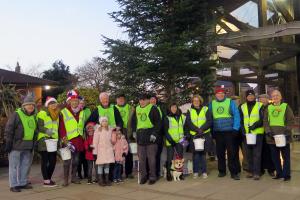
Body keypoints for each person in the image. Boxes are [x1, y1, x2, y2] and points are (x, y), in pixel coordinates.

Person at [4, 93, 37, 192]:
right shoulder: (16, 114)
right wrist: (8, 143)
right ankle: (13, 185)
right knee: (14, 167)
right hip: (16, 146)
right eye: (28, 104)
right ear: (24, 106)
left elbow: (34, 130)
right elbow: (9, 129)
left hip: (28, 146)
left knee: (25, 165)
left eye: (32, 104)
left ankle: (23, 182)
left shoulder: (34, 116)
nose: (30, 106)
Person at [88, 92, 123, 181]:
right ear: (100, 100)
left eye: (106, 98)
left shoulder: (114, 108)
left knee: (112, 156)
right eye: (103, 99)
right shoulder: (97, 109)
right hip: (101, 137)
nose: (105, 100)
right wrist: (93, 127)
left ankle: (111, 177)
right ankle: (101, 177)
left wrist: (119, 127)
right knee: (102, 158)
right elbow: (90, 122)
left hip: (113, 135)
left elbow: (120, 121)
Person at [209, 86, 241, 180]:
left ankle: (234, 172)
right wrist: (212, 130)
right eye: (218, 93)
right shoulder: (212, 104)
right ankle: (222, 171)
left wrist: (235, 128)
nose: (220, 95)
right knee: (220, 153)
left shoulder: (230, 102)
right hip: (218, 132)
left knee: (232, 153)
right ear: (215, 95)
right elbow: (209, 117)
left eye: (222, 93)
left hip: (229, 132)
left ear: (224, 94)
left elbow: (236, 115)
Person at [263, 90, 295, 181]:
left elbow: (291, 120)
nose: (275, 97)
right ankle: (279, 173)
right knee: (275, 157)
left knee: (285, 157)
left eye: (277, 95)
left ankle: (286, 174)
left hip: (284, 136)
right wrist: (268, 131)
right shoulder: (268, 108)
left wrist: (287, 130)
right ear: (271, 98)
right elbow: (265, 121)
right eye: (273, 96)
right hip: (272, 137)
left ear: (280, 97)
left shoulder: (286, 106)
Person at [131, 93, 161, 185]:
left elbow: (158, 123)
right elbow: (133, 121)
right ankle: (144, 176)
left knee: (151, 158)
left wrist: (154, 134)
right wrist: (134, 132)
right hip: (140, 136)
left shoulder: (153, 108)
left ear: (148, 100)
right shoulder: (137, 109)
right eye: (140, 100)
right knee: (142, 159)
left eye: (144, 100)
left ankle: (152, 177)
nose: (142, 101)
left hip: (150, 135)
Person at [59, 90, 85, 186]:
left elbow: (82, 125)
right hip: (67, 140)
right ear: (69, 101)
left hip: (78, 139)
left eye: (76, 101)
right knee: (67, 161)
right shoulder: (63, 112)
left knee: (76, 161)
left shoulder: (81, 112)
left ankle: (73, 177)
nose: (75, 102)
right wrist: (64, 138)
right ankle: (66, 179)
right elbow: (61, 127)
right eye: (73, 101)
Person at [185, 95, 212, 179]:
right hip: (194, 135)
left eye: (198, 100)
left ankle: (204, 171)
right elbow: (188, 122)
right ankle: (196, 171)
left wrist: (202, 129)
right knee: (195, 155)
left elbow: (209, 121)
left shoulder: (205, 109)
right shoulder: (189, 110)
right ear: (192, 102)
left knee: (203, 154)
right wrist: (197, 129)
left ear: (200, 101)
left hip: (204, 134)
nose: (196, 102)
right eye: (194, 100)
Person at [239, 90, 264, 180]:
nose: (250, 97)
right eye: (248, 96)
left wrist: (254, 126)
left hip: (257, 133)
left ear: (254, 96)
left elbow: (262, 119)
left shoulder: (260, 105)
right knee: (248, 154)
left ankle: (257, 172)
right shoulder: (242, 106)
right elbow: (240, 120)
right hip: (246, 134)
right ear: (246, 97)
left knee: (257, 153)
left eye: (252, 95)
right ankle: (250, 171)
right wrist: (243, 131)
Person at [36, 97, 60, 187]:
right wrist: (46, 131)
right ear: (47, 104)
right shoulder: (42, 113)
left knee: (53, 161)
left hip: (53, 140)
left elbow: (57, 127)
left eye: (55, 103)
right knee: (45, 160)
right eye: (51, 103)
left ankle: (48, 179)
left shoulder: (56, 114)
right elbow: (39, 126)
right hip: (44, 139)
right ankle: (46, 181)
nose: (53, 105)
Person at [164, 103, 186, 181]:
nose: (174, 109)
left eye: (175, 107)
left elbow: (185, 127)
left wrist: (185, 137)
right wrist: (171, 140)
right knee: (170, 158)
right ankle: (168, 174)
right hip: (170, 141)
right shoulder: (167, 118)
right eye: (172, 107)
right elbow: (165, 131)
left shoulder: (182, 117)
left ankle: (180, 174)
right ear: (169, 108)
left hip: (180, 141)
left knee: (180, 158)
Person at [93, 117, 117, 186]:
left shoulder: (110, 130)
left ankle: (107, 179)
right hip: (101, 150)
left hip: (108, 150)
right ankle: (100, 180)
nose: (105, 122)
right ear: (100, 123)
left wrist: (114, 133)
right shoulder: (98, 130)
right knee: (100, 165)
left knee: (107, 165)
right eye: (103, 121)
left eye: (106, 121)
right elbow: (95, 142)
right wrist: (95, 152)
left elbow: (113, 140)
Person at [115, 94, 134, 179]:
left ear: (125, 99)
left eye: (122, 98)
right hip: (118, 132)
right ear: (116, 100)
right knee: (118, 152)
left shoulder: (130, 107)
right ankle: (119, 173)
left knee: (128, 153)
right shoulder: (113, 108)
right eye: (119, 99)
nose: (121, 100)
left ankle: (128, 172)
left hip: (128, 131)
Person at [258, 94, 275, 176]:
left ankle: (271, 169)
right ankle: (261, 169)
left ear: (267, 99)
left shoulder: (271, 107)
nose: (261, 100)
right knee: (260, 151)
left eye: (263, 98)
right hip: (259, 132)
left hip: (269, 132)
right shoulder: (258, 107)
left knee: (270, 151)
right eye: (260, 99)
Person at [149, 94, 164, 178]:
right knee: (151, 155)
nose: (153, 101)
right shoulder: (147, 109)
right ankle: (151, 173)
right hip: (151, 135)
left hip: (159, 135)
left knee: (158, 154)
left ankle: (157, 172)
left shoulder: (160, 108)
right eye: (151, 99)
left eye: (154, 99)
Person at [77, 96, 89, 180]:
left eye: (83, 103)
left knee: (85, 156)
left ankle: (86, 173)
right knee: (79, 157)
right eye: (80, 103)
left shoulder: (88, 110)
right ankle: (79, 174)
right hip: (78, 136)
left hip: (86, 136)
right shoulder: (76, 111)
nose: (82, 104)